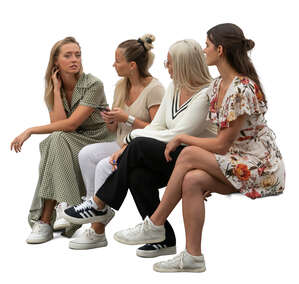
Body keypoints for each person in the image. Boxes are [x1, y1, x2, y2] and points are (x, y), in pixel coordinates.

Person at [102, 23, 286, 273]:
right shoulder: (217, 85)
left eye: (207, 44)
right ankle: (192, 257)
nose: (203, 49)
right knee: (192, 180)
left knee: (187, 153)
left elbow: (222, 143)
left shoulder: (241, 87)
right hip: (234, 161)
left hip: (260, 168)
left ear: (220, 50)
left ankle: (155, 223)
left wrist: (181, 140)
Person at [63, 39, 217, 256]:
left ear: (183, 65)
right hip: (171, 156)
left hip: (194, 159)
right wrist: (126, 139)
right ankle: (164, 239)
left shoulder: (206, 93)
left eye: (170, 63)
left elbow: (177, 135)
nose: (166, 66)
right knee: (137, 175)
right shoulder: (174, 87)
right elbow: (158, 126)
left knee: (139, 145)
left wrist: (130, 140)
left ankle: (98, 204)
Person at [10, 36, 115, 243]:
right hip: (70, 140)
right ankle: (61, 210)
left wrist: (30, 130)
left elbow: (70, 125)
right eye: (68, 55)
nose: (74, 59)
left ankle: (46, 219)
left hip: (97, 139)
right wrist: (56, 91)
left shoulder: (93, 84)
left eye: (78, 54)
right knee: (54, 141)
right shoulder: (51, 90)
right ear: (56, 62)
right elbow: (59, 124)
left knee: (53, 141)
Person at [68, 34, 164, 249]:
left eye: (117, 60)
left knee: (104, 165)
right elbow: (115, 129)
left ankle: (97, 228)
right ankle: (92, 206)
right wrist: (111, 121)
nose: (113, 64)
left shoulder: (155, 89)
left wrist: (127, 118)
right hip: (121, 142)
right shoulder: (121, 86)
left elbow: (159, 131)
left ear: (132, 65)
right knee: (86, 154)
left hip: (141, 147)